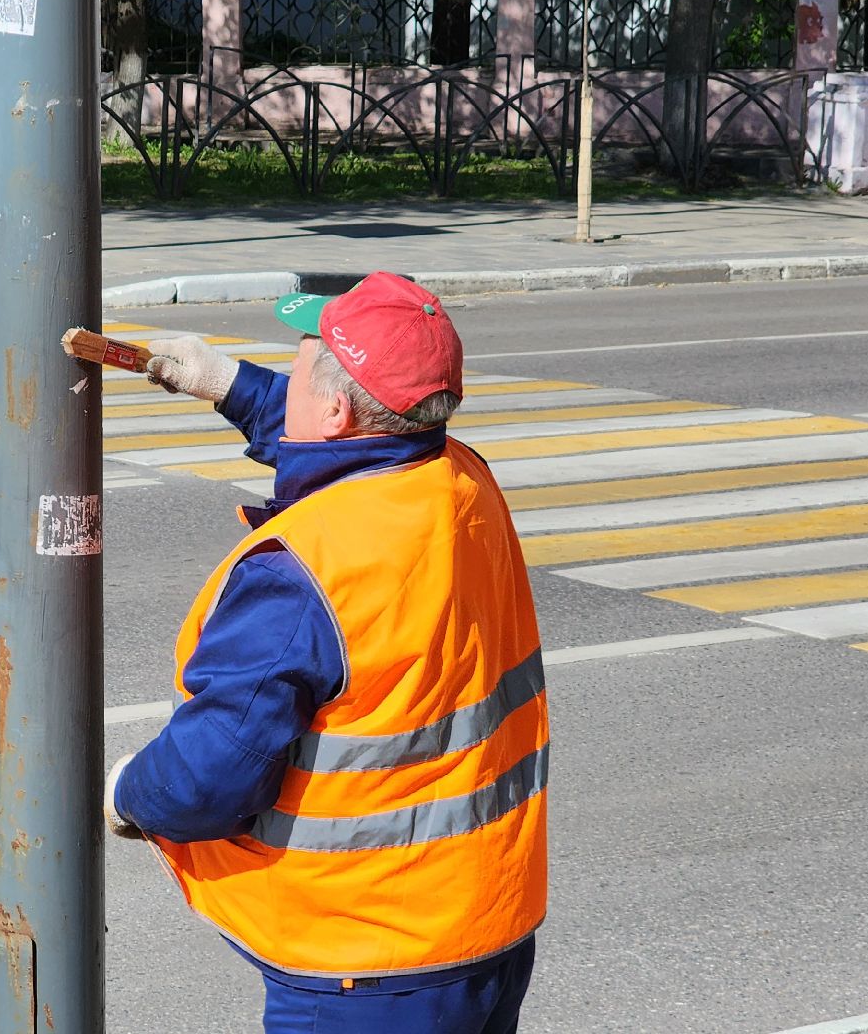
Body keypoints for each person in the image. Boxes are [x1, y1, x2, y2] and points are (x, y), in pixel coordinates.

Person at [104, 272, 549, 1034]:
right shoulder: (461, 478)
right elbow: (349, 442)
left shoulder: (303, 570)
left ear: (337, 406)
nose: (292, 370)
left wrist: (127, 796)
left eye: (301, 360)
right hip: (485, 928)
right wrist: (225, 384)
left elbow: (210, 776)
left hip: (365, 968)